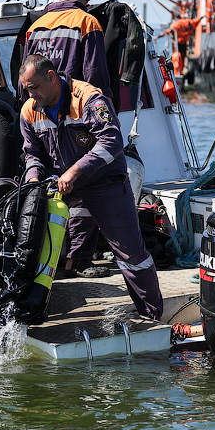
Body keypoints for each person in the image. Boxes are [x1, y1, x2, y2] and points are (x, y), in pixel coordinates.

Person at [18, 54, 164, 320]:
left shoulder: (88, 99)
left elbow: (111, 141)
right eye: (27, 89)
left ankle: (152, 315)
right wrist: (33, 182)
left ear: (51, 77)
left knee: (130, 253)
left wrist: (74, 171)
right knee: (33, 245)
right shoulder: (29, 110)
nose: (31, 94)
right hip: (62, 186)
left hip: (103, 183)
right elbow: (33, 155)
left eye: (34, 87)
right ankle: (33, 312)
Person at [22, 0, 111, 100]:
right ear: (86, 2)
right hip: (72, 105)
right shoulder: (87, 22)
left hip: (40, 106)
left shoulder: (34, 27)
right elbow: (93, 72)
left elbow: (25, 73)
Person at [155, 10, 202, 76]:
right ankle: (181, 71)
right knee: (182, 58)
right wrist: (202, 17)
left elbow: (168, 31)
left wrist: (157, 37)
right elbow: (196, 21)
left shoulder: (175, 24)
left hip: (177, 44)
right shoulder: (188, 22)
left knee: (176, 57)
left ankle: (176, 72)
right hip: (184, 44)